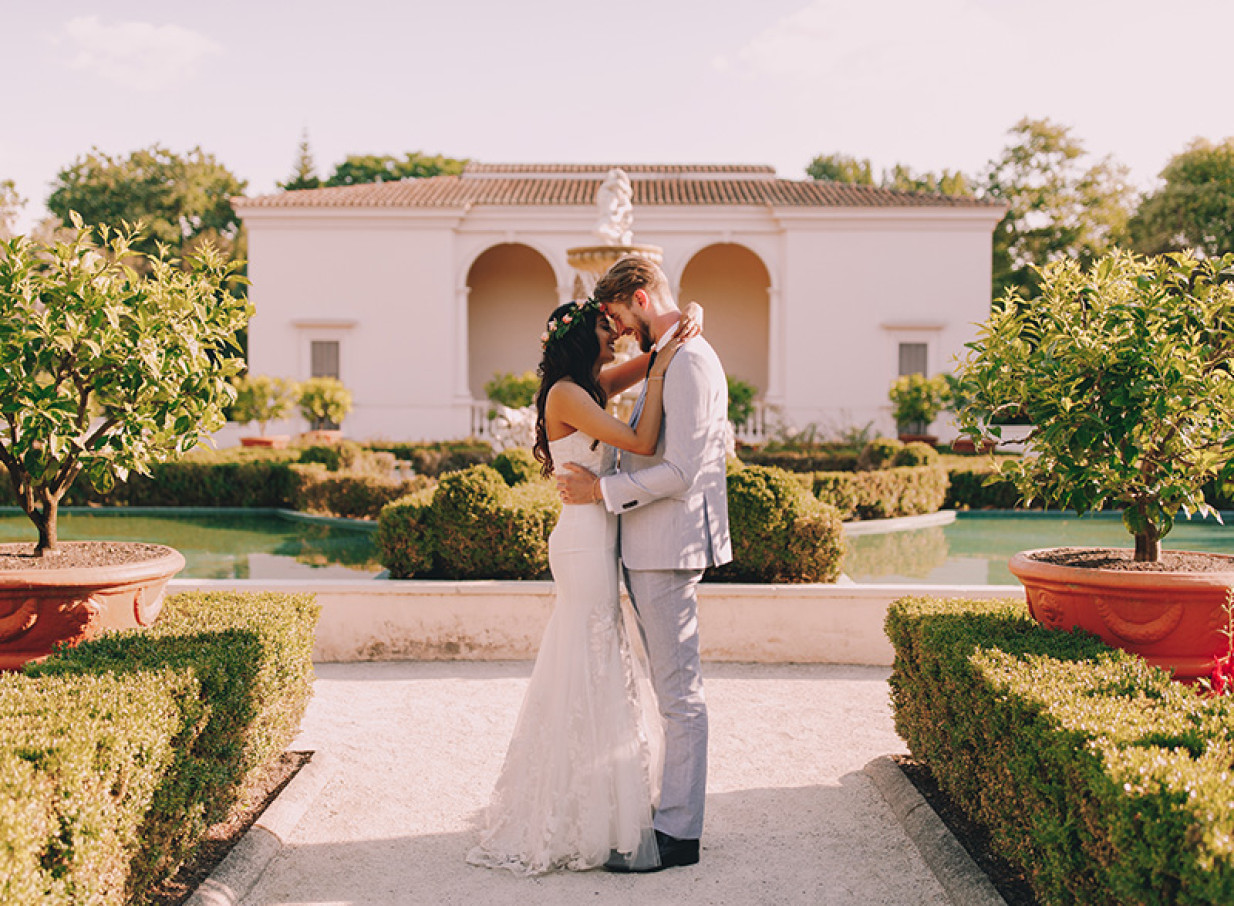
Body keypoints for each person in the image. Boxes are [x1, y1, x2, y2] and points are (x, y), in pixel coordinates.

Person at [467, 295, 699, 876]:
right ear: (580, 336)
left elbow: (652, 353)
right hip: (583, 539)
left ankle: (595, 804)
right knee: (591, 662)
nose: (615, 332)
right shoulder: (568, 394)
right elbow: (642, 442)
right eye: (604, 326)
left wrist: (691, 312)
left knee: (596, 664)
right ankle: (577, 812)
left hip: (598, 534)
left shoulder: (590, 382)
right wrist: (666, 366)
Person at [558, 256, 732, 873]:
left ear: (639, 296)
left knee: (679, 695)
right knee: (667, 690)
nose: (620, 329)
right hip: (649, 545)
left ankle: (678, 835)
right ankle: (668, 814)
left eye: (618, 315)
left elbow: (682, 470)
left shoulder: (689, 361)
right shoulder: (675, 353)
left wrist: (601, 493)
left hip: (667, 548)